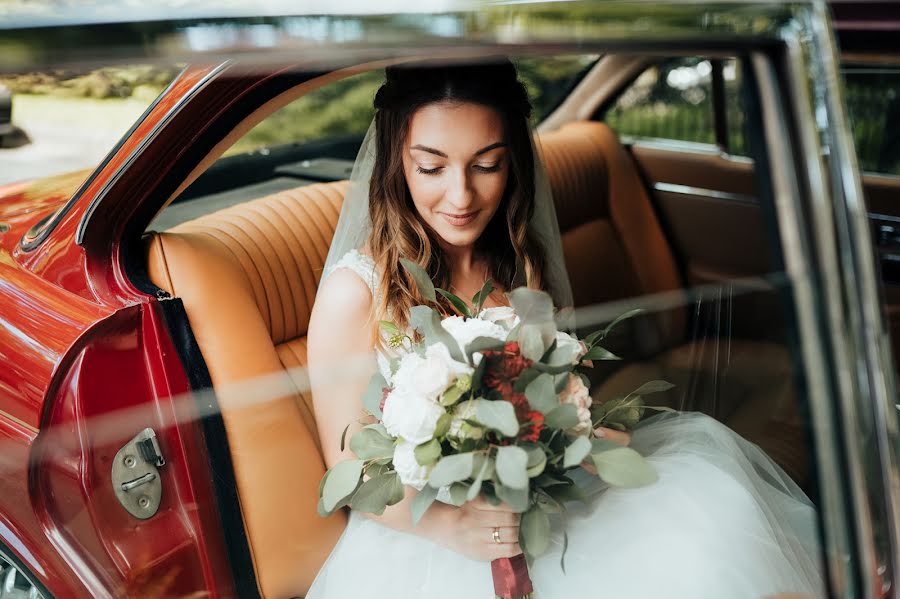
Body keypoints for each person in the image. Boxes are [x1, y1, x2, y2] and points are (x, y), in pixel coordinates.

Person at [305, 59, 824, 598]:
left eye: (487, 165)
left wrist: (575, 436)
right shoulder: (358, 291)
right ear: (395, 164)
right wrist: (453, 527)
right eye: (431, 168)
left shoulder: (518, 264)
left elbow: (546, 393)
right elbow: (349, 468)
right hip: (426, 534)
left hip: (534, 502)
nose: (461, 197)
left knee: (715, 512)